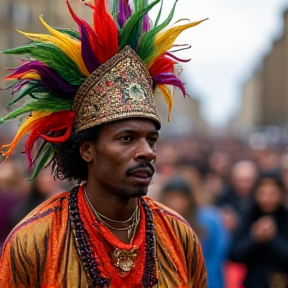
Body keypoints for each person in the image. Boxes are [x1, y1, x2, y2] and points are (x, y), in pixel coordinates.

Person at [0, 1, 207, 287]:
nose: (147, 151)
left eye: (151, 139)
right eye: (127, 138)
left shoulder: (179, 236)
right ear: (87, 149)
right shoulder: (35, 240)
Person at [161, 176, 230, 288]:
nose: (176, 202)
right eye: (172, 197)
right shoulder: (160, 222)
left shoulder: (209, 220)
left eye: (181, 198)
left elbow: (218, 253)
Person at [229, 172, 288, 288]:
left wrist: (273, 238)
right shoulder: (249, 216)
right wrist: (255, 238)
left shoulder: (286, 217)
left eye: (272, 193)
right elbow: (234, 255)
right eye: (263, 193)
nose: (267, 198)